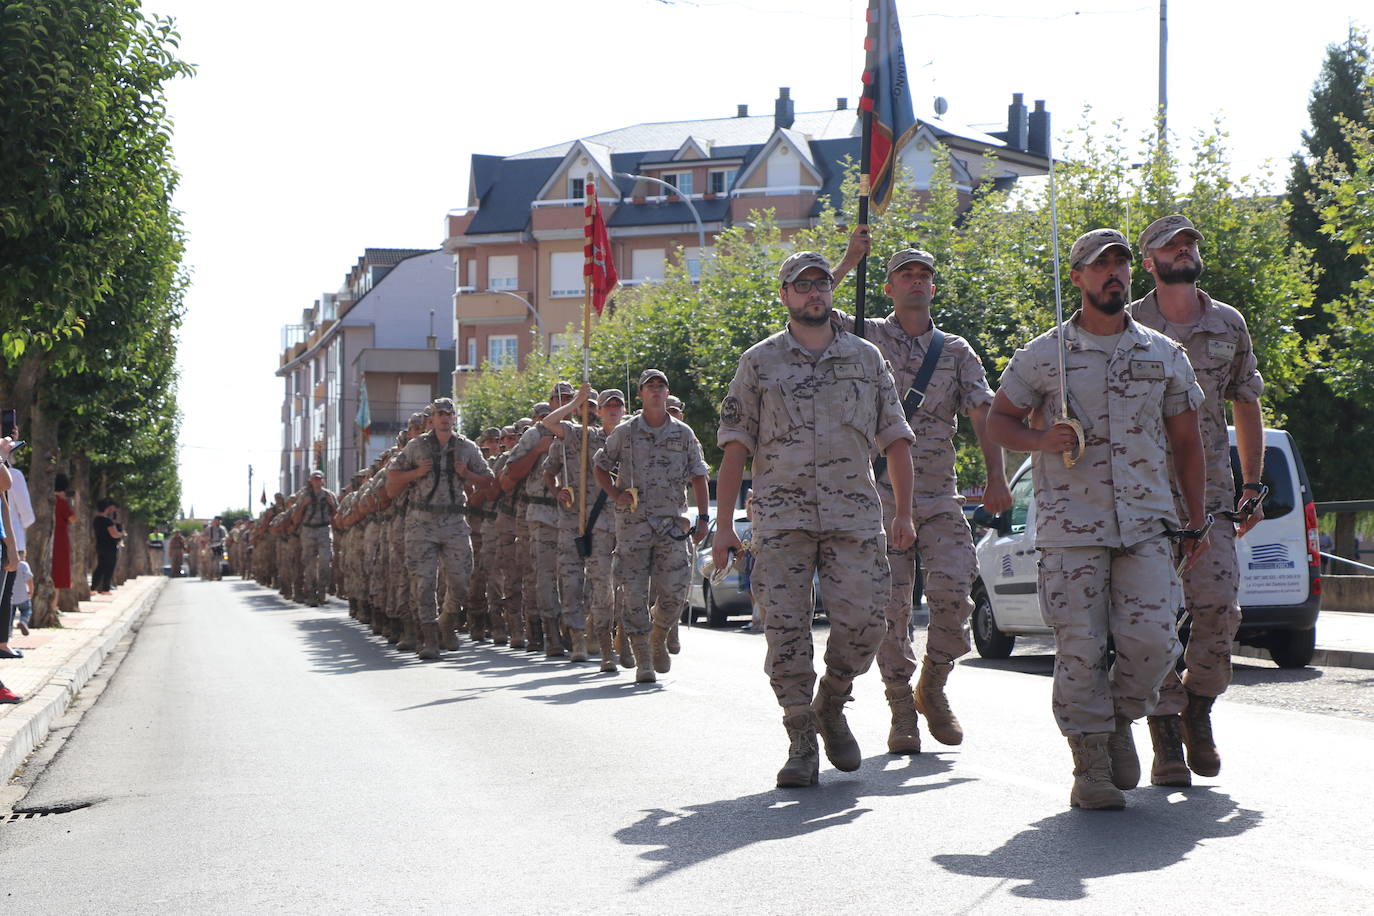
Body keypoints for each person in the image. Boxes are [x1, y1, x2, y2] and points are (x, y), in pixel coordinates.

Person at [986, 228, 1208, 811]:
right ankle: (1090, 768)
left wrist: (1199, 517)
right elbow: (997, 421)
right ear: (1079, 277)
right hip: (1070, 528)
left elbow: (1187, 442)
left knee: (1157, 644)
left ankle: (1115, 720)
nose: (1114, 273)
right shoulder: (1045, 354)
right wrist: (1039, 437)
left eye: (1121, 264)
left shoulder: (1163, 354)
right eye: (1100, 265)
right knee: (1080, 645)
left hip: (1146, 525)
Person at [713, 251, 917, 787]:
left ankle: (833, 700)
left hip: (854, 515)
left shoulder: (868, 359)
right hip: (781, 519)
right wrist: (725, 525)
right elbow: (734, 447)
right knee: (785, 630)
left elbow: (895, 438)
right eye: (801, 285)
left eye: (821, 284)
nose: (813, 293)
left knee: (868, 623)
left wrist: (906, 512)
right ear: (784, 295)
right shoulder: (758, 363)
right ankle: (801, 735)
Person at [831, 233, 1012, 754]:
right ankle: (899, 708)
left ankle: (932, 685)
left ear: (933, 287)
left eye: (924, 274)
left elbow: (982, 410)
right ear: (887, 287)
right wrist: (849, 261)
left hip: (938, 495)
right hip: (880, 494)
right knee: (890, 607)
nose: (917, 280)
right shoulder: (865, 338)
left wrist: (997, 476)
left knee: (956, 592)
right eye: (907, 274)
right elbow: (811, 316)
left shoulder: (955, 351)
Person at [1129, 214, 1266, 786]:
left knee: (1218, 612)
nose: (1183, 251)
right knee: (1153, 622)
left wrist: (1252, 484)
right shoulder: (1126, 323)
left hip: (1209, 497)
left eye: (1189, 244)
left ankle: (1198, 708)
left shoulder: (1228, 324)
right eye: (1170, 246)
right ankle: (1164, 733)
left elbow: (1247, 401)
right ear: (1149, 262)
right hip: (1142, 498)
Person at [594, 369, 710, 684]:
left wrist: (703, 517)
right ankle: (643, 657)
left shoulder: (683, 433)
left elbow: (699, 474)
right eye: (650, 387)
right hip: (633, 525)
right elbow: (600, 466)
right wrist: (616, 494)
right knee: (632, 594)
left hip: (672, 523)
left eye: (661, 386)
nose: (656, 391)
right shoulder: (626, 432)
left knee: (675, 590)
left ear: (666, 391)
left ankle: (659, 634)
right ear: (642, 394)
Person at [385, 397, 494, 660]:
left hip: (455, 523)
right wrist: (415, 474)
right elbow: (392, 480)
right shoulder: (416, 446)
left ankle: (447, 620)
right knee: (423, 583)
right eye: (439, 414)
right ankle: (430, 637)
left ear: (454, 418)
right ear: (431, 419)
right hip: (421, 522)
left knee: (460, 581)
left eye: (449, 413)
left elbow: (489, 481)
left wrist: (467, 474)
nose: (445, 417)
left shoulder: (466, 447)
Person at [293, 470, 338, 606]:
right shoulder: (304, 495)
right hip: (308, 530)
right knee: (310, 564)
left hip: (324, 529)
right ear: (310, 481)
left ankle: (322, 591)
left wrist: (332, 504)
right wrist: (303, 505)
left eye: (319, 479)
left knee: (325, 560)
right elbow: (296, 519)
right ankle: (311, 593)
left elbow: (337, 515)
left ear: (323, 480)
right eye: (315, 479)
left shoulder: (329, 495)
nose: (317, 481)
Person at [91, 499, 125, 594]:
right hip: (109, 547)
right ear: (106, 508)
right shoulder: (107, 521)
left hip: (100, 545)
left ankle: (93, 588)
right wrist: (121, 534)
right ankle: (106, 589)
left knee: (100, 567)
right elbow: (114, 534)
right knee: (109, 567)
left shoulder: (96, 520)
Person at [52, 473, 76, 592]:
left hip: (50, 537)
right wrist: (77, 502)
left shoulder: (49, 500)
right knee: (59, 573)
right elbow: (73, 519)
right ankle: (53, 606)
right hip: (60, 538)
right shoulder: (61, 502)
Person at [13, 549, 33, 636]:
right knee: (26, 610)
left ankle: (8, 632)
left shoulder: (7, 564)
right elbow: (29, 580)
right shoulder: (24, 565)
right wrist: (31, 591)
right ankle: (23, 622)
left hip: (10, 597)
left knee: (10, 615)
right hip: (23, 595)